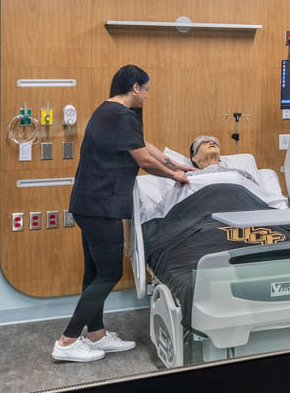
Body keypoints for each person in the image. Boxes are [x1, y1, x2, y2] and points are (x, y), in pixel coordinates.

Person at [54, 65, 194, 363]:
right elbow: (144, 160)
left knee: (94, 273)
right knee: (109, 273)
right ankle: (67, 341)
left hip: (90, 204)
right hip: (100, 207)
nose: (147, 95)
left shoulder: (110, 112)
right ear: (135, 87)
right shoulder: (120, 115)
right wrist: (174, 176)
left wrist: (174, 163)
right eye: (146, 89)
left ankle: (96, 334)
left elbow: (144, 145)